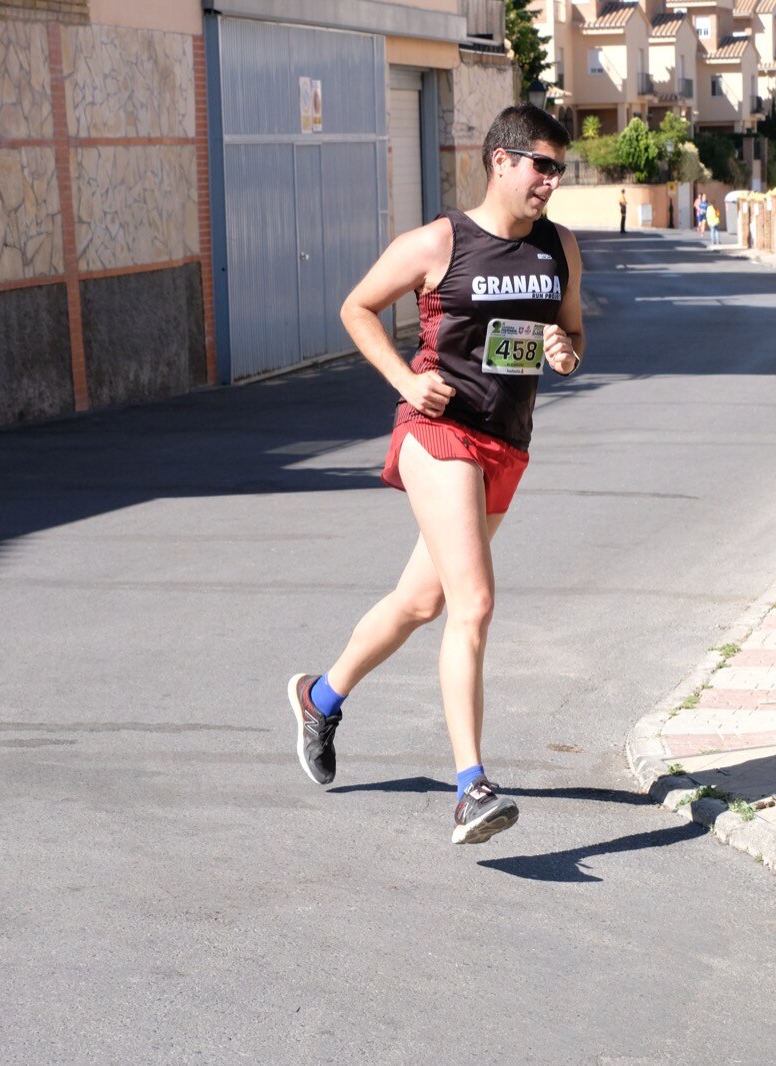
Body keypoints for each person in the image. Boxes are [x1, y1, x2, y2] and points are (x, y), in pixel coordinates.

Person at [288, 104, 586, 845]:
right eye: (542, 164)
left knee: (421, 602)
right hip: (437, 432)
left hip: (505, 444)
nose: (552, 180)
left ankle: (319, 697)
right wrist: (402, 380)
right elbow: (357, 308)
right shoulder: (439, 242)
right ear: (502, 161)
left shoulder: (560, 249)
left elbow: (573, 334)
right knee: (475, 603)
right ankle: (471, 787)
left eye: (559, 168)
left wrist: (565, 351)